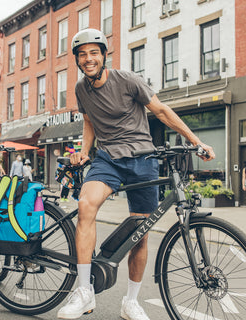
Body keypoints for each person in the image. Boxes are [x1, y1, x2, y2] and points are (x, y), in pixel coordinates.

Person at [57, 29, 215, 320]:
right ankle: (83, 292)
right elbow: (89, 122)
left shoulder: (127, 80)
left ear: (104, 55)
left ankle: (130, 302)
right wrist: (84, 151)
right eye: (82, 54)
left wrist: (196, 141)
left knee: (140, 234)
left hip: (143, 159)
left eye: (94, 53)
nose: (88, 58)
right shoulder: (81, 89)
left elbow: (162, 111)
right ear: (78, 60)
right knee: (85, 205)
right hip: (107, 159)